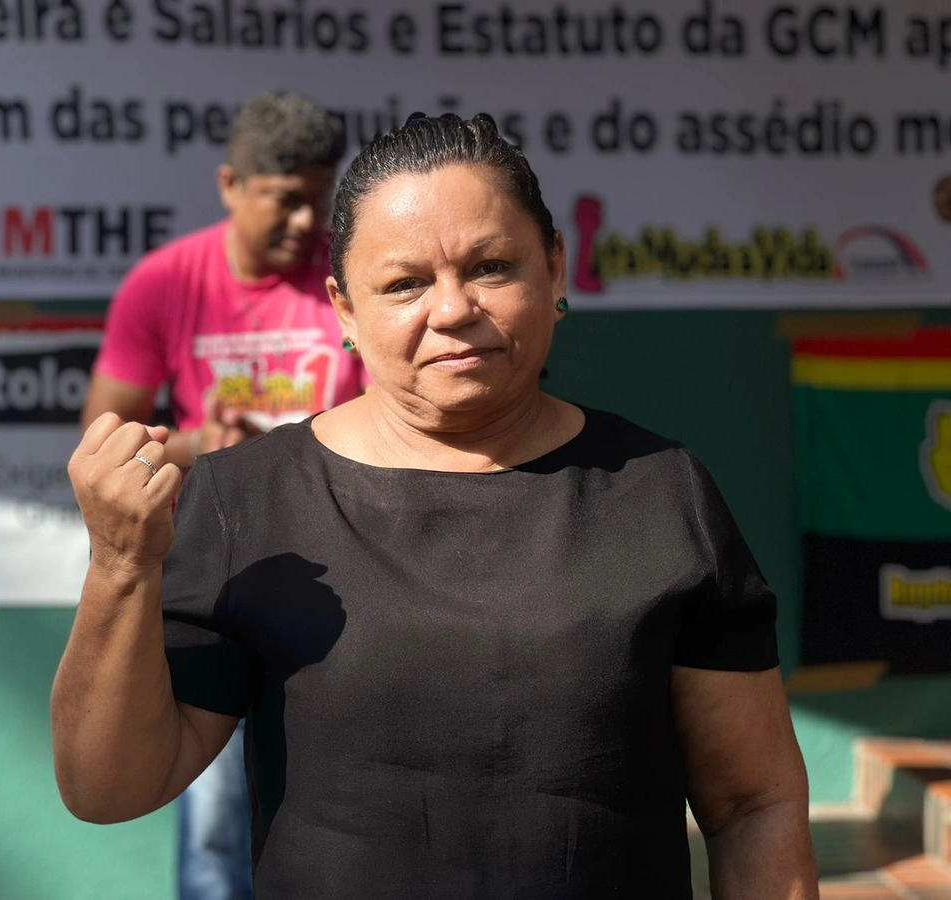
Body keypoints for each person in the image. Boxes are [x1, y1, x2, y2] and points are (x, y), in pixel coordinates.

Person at [53, 113, 819, 898]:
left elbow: (752, 802)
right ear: (345, 309)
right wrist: (119, 565)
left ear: (555, 271)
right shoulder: (246, 500)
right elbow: (107, 790)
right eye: (404, 283)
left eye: (490, 267)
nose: (452, 309)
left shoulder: (662, 492)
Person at [76, 91, 362, 900]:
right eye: (286, 200)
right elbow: (103, 435)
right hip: (220, 576)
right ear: (231, 183)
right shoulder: (165, 281)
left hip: (350, 565)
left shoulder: (352, 279)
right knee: (213, 828)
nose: (308, 224)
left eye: (319, 199)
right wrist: (206, 444)